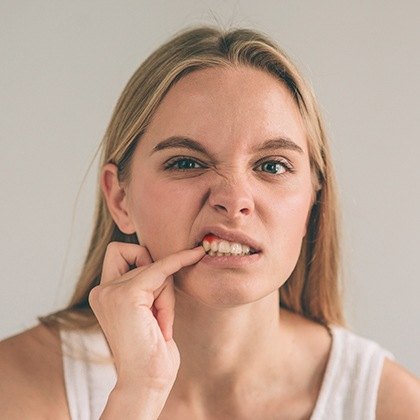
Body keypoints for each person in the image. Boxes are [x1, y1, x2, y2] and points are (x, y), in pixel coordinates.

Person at [0, 26, 419, 420]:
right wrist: (137, 394)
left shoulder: (392, 405)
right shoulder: (18, 385)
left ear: (314, 200)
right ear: (119, 197)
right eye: (186, 162)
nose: (234, 201)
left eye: (272, 165)